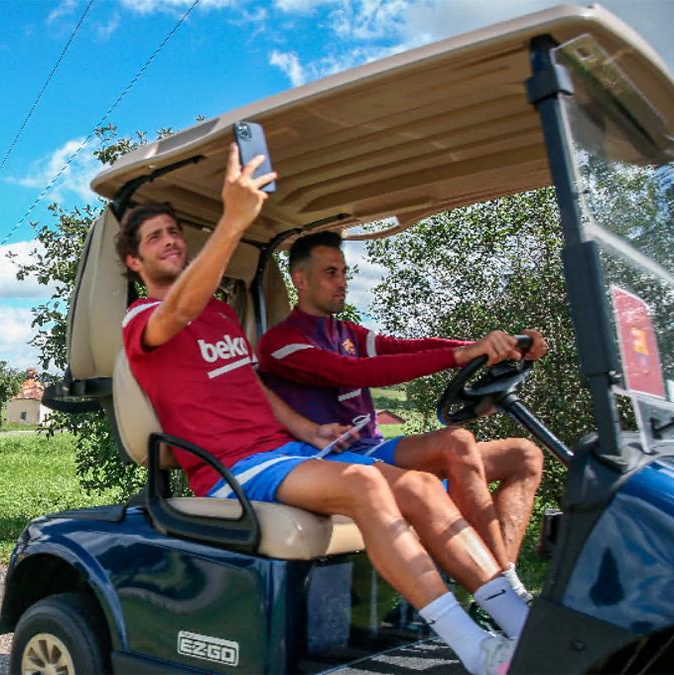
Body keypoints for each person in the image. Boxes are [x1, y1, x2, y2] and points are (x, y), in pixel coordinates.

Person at [117, 145, 524, 675]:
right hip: (231, 468)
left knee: (422, 485)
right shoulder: (143, 318)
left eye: (175, 231)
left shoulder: (218, 314)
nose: (171, 240)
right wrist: (235, 221)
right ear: (134, 262)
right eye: (156, 237)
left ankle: (520, 623)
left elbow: (251, 386)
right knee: (366, 485)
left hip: (281, 453)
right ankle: (478, 651)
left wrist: (311, 429)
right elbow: (180, 307)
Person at [257, 230, 544, 597]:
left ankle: (502, 580)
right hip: (331, 462)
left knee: (524, 455)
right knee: (456, 441)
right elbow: (353, 372)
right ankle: (506, 594)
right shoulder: (281, 343)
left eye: (345, 272)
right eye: (331, 273)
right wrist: (463, 355)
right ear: (300, 279)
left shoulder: (345, 332)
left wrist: (489, 349)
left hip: (371, 449)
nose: (342, 282)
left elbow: (403, 347)